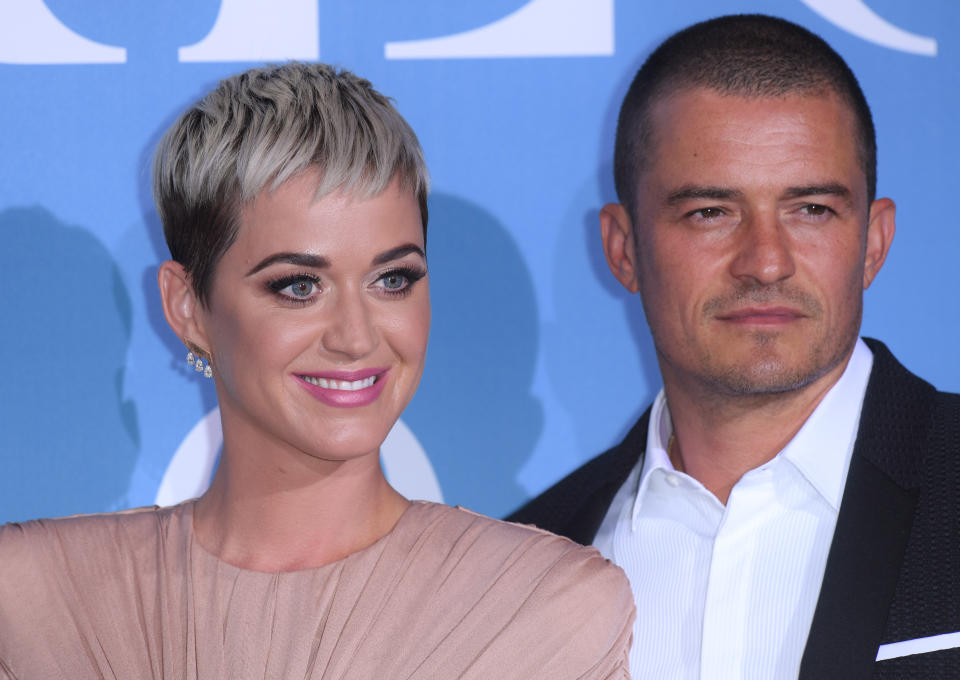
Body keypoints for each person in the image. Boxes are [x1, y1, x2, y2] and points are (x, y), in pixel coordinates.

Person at [0, 62, 633, 679]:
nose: (356, 336)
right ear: (188, 306)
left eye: (393, 280)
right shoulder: (33, 603)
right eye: (300, 286)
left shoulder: (543, 612)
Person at [508, 14, 960, 679]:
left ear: (874, 241)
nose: (766, 262)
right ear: (623, 248)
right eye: (710, 213)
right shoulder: (521, 570)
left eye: (811, 209)